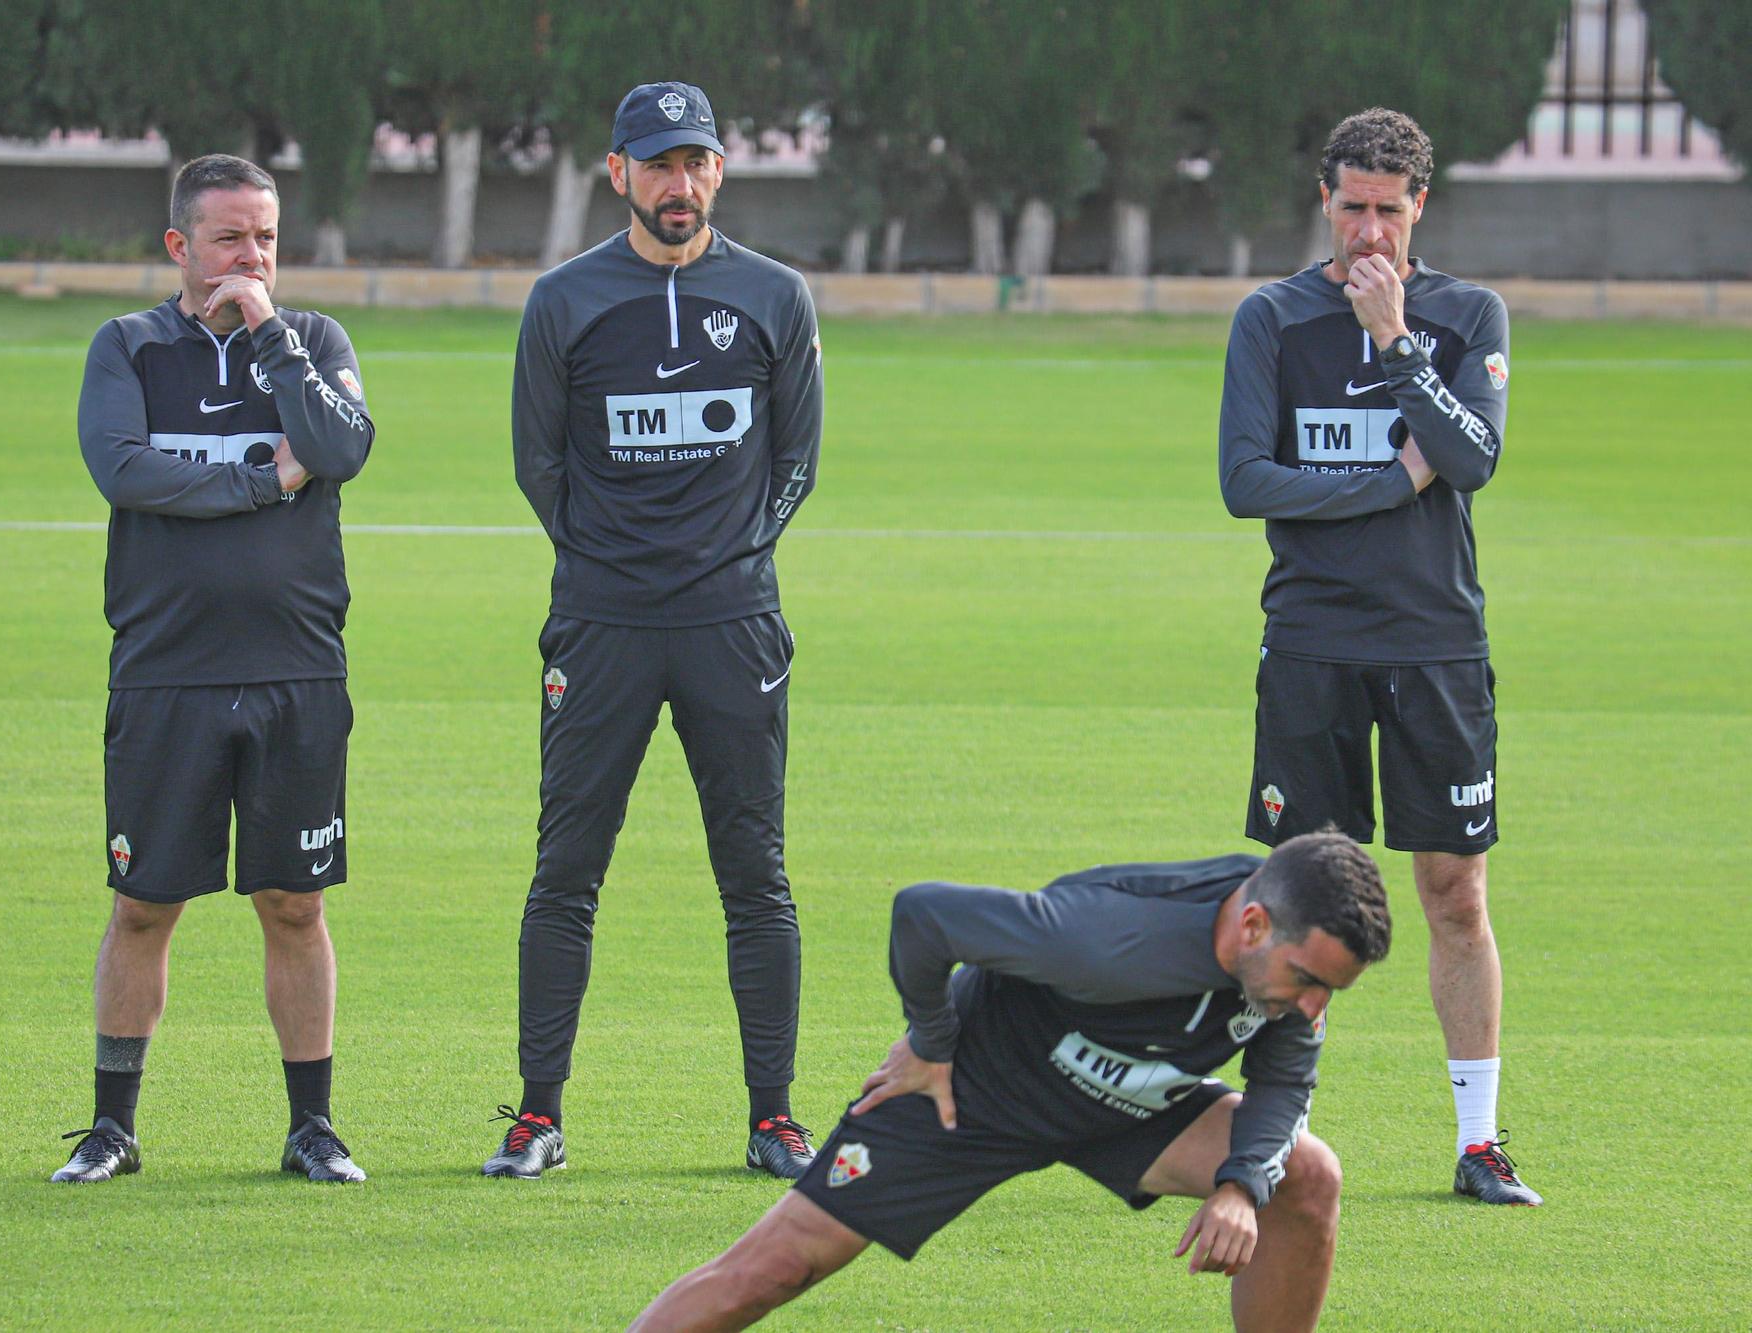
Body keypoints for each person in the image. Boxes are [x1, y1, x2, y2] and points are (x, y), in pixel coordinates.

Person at [632, 831, 1392, 1331]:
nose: (1314, 1006)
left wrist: (1239, 1187)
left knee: (1304, 1172)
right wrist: (932, 1042)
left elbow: (1282, 1088)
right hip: (975, 1092)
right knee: (768, 1272)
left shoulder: (1287, 977)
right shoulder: (1103, 939)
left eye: (1332, 989)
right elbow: (925, 916)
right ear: (1254, 926)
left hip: (1129, 1103)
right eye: (1307, 979)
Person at [487, 81, 823, 1181]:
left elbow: (795, 465)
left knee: (755, 873)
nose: (679, 186)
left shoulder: (775, 298)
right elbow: (540, 467)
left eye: (697, 163)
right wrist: (613, 568)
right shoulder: (563, 300)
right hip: (602, 628)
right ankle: (538, 1116)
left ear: (719, 170)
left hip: (733, 626)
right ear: (617, 171)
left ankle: (772, 1116)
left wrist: (728, 559)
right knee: (566, 869)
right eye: (658, 165)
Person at [1217, 108, 1537, 1206]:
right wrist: (1388, 484)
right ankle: (1273, 1136)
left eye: (1386, 212)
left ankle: (1478, 1140)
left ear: (1418, 209)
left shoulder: (1461, 316)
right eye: (1350, 208)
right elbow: (1244, 482)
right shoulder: (1270, 319)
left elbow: (1471, 459)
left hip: (1434, 643)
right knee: (1300, 892)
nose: (1366, 232)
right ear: (1323, 200)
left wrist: (1398, 343)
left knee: (1452, 892)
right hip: (1309, 640)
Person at [52, 153, 375, 1184]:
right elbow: (123, 468)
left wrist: (272, 337)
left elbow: (342, 444)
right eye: (231, 238)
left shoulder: (313, 341)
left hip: (296, 669)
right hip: (165, 671)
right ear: (179, 246)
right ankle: (111, 1129)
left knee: (294, 902)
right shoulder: (129, 347)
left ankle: (312, 1129)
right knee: (143, 902)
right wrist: (257, 478)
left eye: (267, 237)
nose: (252, 256)